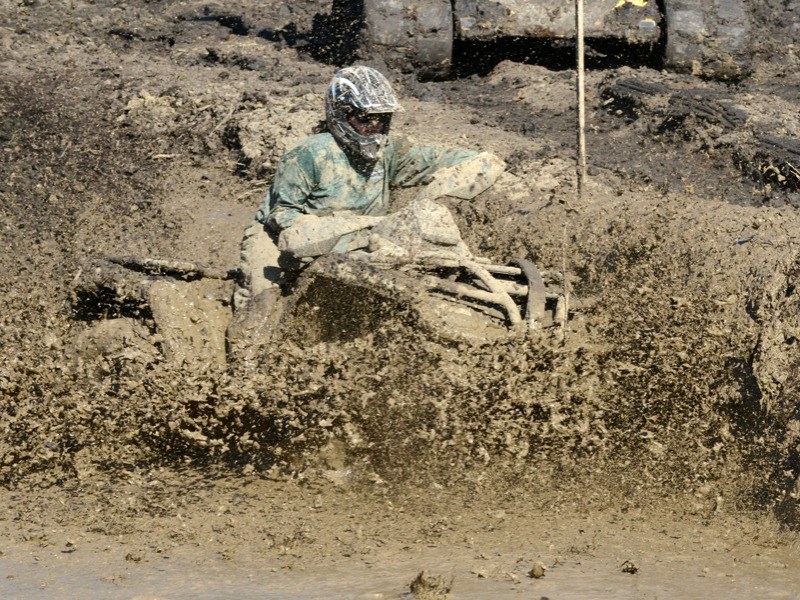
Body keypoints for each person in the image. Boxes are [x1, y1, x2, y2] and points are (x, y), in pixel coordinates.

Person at [232, 65, 499, 316]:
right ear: (341, 114)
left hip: (363, 237)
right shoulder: (309, 154)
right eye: (365, 118)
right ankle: (247, 358)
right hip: (282, 237)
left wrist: (482, 164)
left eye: (382, 119)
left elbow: (440, 160)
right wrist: (350, 228)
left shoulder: (391, 151)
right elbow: (283, 215)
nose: (375, 127)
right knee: (262, 303)